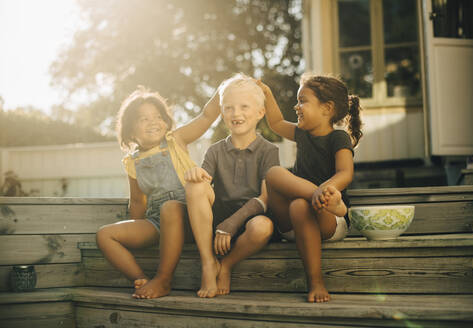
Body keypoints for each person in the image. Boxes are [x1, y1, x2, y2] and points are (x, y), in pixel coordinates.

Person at [96, 86, 220, 299]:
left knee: (170, 208)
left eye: (158, 116)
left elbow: (207, 116)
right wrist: (138, 232)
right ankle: (141, 278)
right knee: (105, 235)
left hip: (192, 219)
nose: (153, 122)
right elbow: (137, 201)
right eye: (144, 119)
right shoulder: (132, 161)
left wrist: (225, 89)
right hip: (157, 222)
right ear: (131, 130)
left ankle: (163, 279)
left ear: (166, 121)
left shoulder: (176, 141)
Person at [257, 75, 363, 303]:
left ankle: (315, 281)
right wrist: (266, 93)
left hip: (329, 220)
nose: (296, 106)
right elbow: (275, 123)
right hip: (294, 224)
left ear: (327, 108)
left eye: (302, 100)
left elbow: (345, 173)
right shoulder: (302, 134)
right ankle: (313, 194)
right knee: (273, 173)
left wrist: (324, 192)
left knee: (299, 205)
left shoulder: (338, 137)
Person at [184, 73, 280, 298]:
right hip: (216, 224)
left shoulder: (269, 151)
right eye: (228, 108)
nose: (236, 114)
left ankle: (225, 265)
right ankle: (208, 263)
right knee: (194, 184)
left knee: (263, 227)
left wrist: (232, 223)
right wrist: (195, 174)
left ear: (260, 113)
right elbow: (202, 188)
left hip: (249, 222)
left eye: (244, 106)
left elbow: (266, 199)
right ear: (222, 113)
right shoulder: (215, 150)